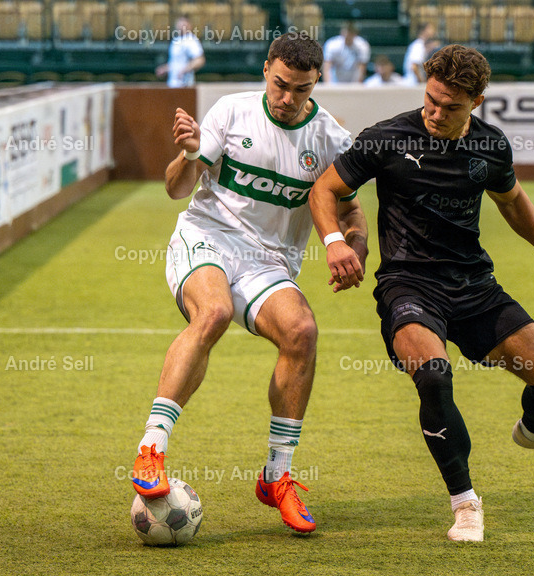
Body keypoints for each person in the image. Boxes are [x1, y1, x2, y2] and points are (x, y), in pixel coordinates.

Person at [309, 44, 534, 542]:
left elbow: (512, 201)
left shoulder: (491, 146)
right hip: (408, 284)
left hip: (473, 285)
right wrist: (335, 242)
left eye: (450, 107)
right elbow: (324, 190)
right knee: (435, 378)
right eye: (431, 100)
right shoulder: (387, 138)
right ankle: (465, 504)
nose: (435, 113)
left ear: (476, 102)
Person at [130, 32, 370, 536]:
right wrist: (189, 155)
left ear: (316, 82)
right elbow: (176, 189)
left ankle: (277, 476)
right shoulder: (231, 112)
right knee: (214, 312)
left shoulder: (330, 138)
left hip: (269, 263)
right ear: (266, 70)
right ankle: (151, 449)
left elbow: (350, 209)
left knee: (302, 332)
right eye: (280, 84)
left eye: (301, 89)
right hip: (206, 238)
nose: (287, 98)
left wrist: (354, 245)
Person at [156, 16, 206, 87]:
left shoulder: (191, 41)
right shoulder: (176, 40)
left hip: (185, 84)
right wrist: (165, 68)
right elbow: (176, 63)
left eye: (184, 25)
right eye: (180, 25)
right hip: (172, 83)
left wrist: (185, 70)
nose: (182, 27)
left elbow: (199, 60)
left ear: (190, 26)